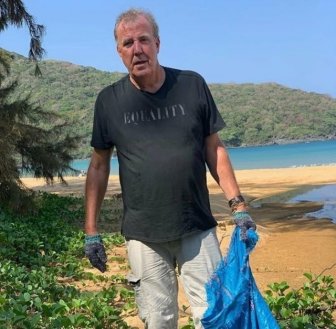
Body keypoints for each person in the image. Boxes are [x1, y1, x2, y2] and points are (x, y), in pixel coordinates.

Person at [84, 8, 256, 329]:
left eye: (144, 40)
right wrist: (91, 232)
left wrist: (239, 207)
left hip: (197, 228)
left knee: (214, 316)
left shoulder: (192, 85)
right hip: (143, 236)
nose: (138, 49)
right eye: (128, 43)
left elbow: (214, 148)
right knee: (159, 321)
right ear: (119, 52)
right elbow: (98, 166)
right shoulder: (109, 102)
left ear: (158, 43)